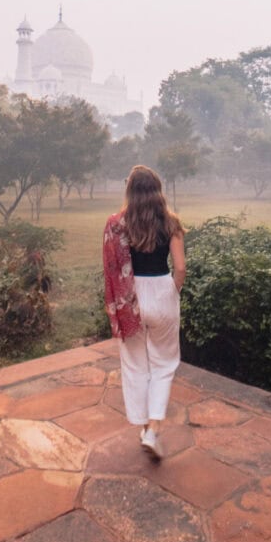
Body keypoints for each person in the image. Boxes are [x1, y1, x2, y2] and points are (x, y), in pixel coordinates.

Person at [102, 165, 186, 459]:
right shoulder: (171, 222)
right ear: (158, 190)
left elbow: (113, 268)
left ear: (130, 191)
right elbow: (180, 268)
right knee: (164, 364)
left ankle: (142, 423)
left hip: (131, 297)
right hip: (162, 292)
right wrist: (171, 291)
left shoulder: (118, 225)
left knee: (136, 364)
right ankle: (152, 428)